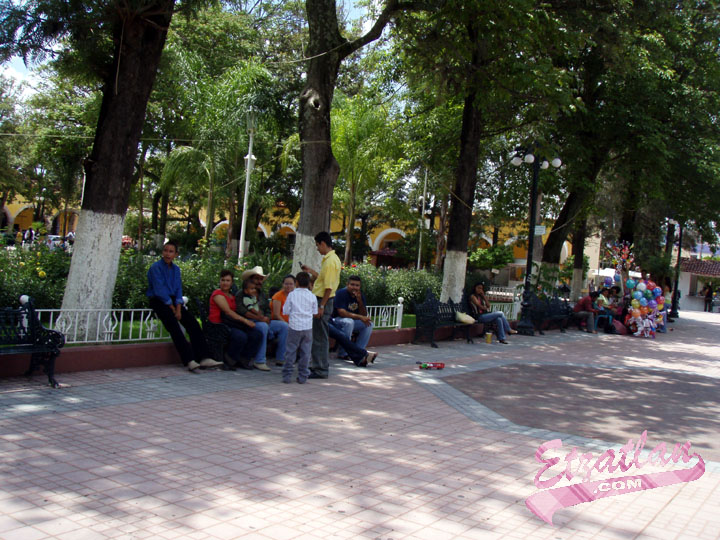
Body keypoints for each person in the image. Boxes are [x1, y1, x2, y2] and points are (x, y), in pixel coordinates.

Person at [147, 241, 222, 372]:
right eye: (165, 250)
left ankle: (204, 357)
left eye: (171, 251)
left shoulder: (176, 269)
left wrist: (179, 308)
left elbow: (178, 289)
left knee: (193, 324)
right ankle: (189, 360)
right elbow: (159, 290)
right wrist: (172, 308)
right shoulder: (155, 268)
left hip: (174, 301)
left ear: (176, 254)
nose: (167, 254)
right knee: (174, 327)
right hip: (158, 300)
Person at [301, 231, 341, 379]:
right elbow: (323, 281)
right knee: (319, 335)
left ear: (323, 243)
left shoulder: (330, 261)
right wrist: (311, 271)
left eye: (317, 245)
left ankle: (320, 369)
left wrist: (321, 306)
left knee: (319, 337)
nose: (317, 249)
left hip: (322, 301)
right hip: (322, 300)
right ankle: (319, 366)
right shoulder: (331, 259)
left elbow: (328, 288)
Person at [235, 266, 288, 371]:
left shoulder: (262, 294)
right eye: (257, 279)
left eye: (261, 279)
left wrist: (267, 317)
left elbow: (268, 309)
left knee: (284, 326)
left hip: (263, 320)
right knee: (263, 327)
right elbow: (241, 310)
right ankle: (260, 361)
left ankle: (281, 358)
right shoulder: (242, 293)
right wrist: (260, 318)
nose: (259, 282)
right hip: (249, 322)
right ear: (251, 279)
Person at [209, 269, 263, 369]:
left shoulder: (232, 295)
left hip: (232, 322)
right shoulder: (217, 294)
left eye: (228, 280)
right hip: (220, 325)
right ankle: (229, 360)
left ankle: (244, 359)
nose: (225, 283)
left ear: (232, 282)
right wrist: (245, 321)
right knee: (240, 336)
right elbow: (228, 312)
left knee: (256, 334)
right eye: (223, 280)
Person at [281, 272, 317, 384]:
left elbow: (285, 310)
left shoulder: (292, 295)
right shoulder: (312, 296)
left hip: (294, 326)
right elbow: (315, 312)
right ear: (309, 283)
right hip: (307, 327)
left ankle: (287, 375)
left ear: (296, 282)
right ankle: (303, 376)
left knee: (290, 351)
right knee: (306, 352)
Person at [331, 275, 373, 359]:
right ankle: (343, 353)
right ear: (347, 284)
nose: (355, 287)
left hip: (352, 321)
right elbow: (341, 313)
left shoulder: (360, 295)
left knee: (369, 324)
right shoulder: (341, 293)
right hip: (336, 321)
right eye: (352, 284)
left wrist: (360, 301)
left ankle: (358, 352)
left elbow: (363, 315)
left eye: (357, 285)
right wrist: (360, 317)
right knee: (349, 322)